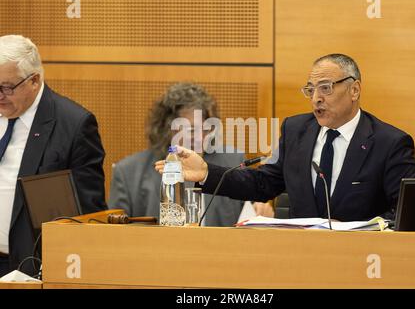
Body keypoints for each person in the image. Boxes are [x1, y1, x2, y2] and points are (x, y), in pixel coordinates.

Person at [155, 54, 415, 222]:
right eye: (310, 89)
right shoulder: (297, 130)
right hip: (298, 258)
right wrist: (206, 172)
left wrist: (366, 233)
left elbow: (407, 213)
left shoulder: (389, 142)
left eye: (326, 88)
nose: (316, 97)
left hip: (361, 262)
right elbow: (265, 184)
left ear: (354, 89)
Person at [0, 35, 107, 276]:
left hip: (31, 266)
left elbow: (88, 215)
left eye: (6, 87)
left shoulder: (74, 125)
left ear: (34, 80)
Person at [109, 82, 260, 226]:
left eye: (206, 129)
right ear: (167, 129)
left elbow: (249, 221)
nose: (200, 137)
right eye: (191, 130)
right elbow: (115, 238)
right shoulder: (128, 174)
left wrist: (259, 210)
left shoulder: (232, 163)